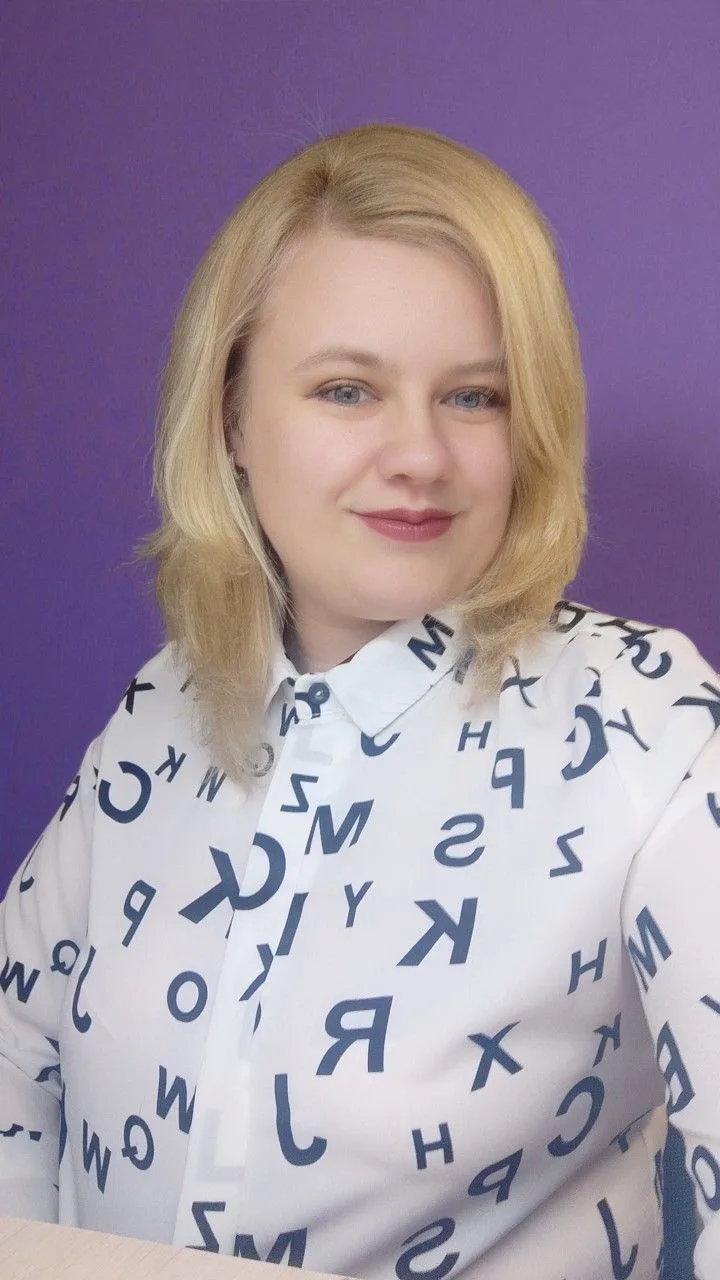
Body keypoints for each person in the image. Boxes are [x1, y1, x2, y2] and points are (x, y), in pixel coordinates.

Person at [1, 121, 718, 1280]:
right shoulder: (165, 706)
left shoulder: (655, 731)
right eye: (348, 388)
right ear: (233, 417)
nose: (419, 455)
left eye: (475, 396)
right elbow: (15, 1047)